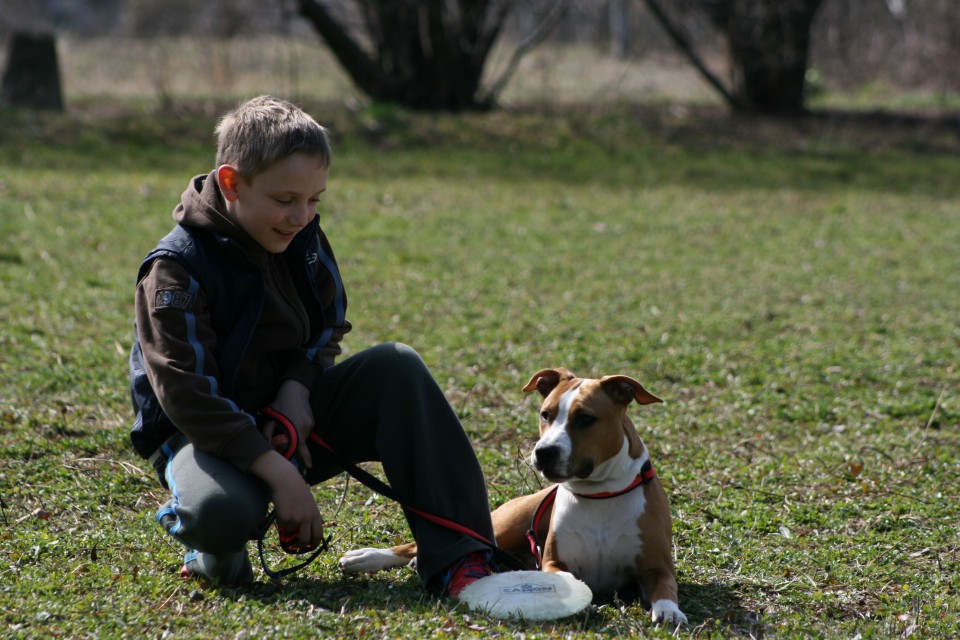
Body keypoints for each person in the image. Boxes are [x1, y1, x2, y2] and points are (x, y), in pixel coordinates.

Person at [128, 95, 493, 596]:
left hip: (285, 416)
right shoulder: (175, 268)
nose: (301, 216)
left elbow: (328, 323)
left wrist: (297, 388)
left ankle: (461, 559)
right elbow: (187, 396)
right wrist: (280, 474)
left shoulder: (299, 236)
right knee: (222, 513)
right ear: (232, 183)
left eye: (314, 199)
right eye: (285, 200)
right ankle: (208, 543)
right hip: (201, 434)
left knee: (396, 367)